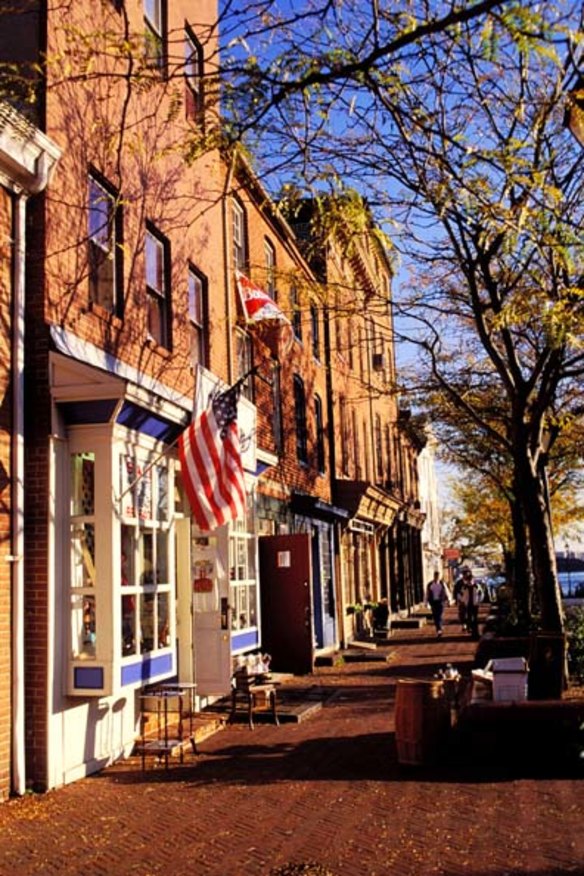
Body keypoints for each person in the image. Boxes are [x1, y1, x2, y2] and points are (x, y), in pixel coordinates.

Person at [425, 571, 451, 637]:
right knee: (435, 616)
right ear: (434, 576)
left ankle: (439, 630)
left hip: (440, 602)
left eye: (438, 576)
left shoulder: (442, 584)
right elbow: (427, 594)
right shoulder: (430, 584)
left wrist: (449, 600)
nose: (437, 577)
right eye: (435, 576)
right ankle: (439, 628)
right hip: (433, 602)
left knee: (439, 615)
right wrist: (426, 602)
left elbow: (447, 592)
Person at [460, 570, 484, 639]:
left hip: (475, 604)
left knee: (475, 619)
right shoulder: (465, 587)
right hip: (468, 604)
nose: (470, 581)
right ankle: (471, 629)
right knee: (470, 618)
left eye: (471, 580)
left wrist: (479, 601)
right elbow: (462, 595)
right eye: (469, 580)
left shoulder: (477, 586)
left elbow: (481, 594)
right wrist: (464, 602)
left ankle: (475, 632)